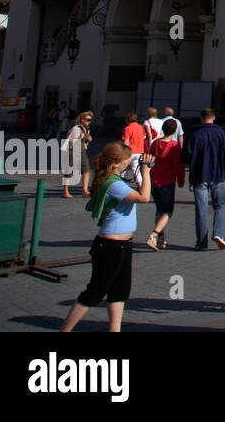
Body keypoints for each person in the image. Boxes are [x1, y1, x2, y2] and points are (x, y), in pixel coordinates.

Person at [60, 142, 153, 332]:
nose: (129, 161)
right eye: (126, 159)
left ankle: (114, 330)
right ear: (115, 163)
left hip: (123, 245)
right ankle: (65, 330)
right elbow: (144, 197)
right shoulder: (113, 184)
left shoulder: (114, 179)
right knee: (95, 292)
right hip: (110, 246)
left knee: (119, 291)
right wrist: (146, 171)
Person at [186, 108, 225, 250]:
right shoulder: (223, 135)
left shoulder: (195, 135)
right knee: (220, 205)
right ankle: (218, 233)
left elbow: (186, 155)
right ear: (214, 118)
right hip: (218, 174)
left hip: (199, 175)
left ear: (201, 118)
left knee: (201, 209)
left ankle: (201, 242)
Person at [145, 118, 184, 250]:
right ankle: (154, 235)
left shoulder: (155, 144)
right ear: (174, 131)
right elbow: (177, 165)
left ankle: (161, 239)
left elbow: (150, 160)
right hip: (167, 181)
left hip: (154, 180)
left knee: (159, 210)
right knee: (168, 211)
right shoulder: (174, 147)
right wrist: (181, 180)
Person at [61, 111, 93, 198]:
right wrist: (79, 138)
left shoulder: (87, 129)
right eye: (87, 119)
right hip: (73, 151)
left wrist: (88, 139)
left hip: (82, 151)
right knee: (69, 172)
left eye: (90, 120)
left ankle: (84, 190)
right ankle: (65, 191)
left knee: (86, 170)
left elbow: (85, 139)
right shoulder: (76, 129)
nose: (89, 121)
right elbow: (69, 139)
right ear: (82, 120)